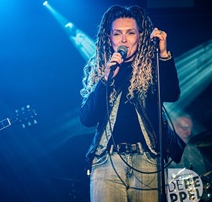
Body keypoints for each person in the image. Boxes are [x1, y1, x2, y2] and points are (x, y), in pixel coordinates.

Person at [79, 5, 185, 202]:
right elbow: (87, 118)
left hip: (146, 160)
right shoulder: (102, 71)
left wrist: (163, 55)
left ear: (140, 35)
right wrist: (105, 80)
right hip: (107, 161)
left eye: (130, 33)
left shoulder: (151, 67)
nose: (124, 40)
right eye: (117, 34)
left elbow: (172, 94)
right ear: (109, 38)